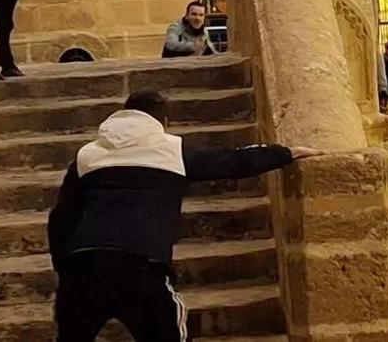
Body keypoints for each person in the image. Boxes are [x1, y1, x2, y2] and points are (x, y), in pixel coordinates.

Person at [48, 91, 318, 342]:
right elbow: (233, 161)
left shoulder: (87, 155)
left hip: (82, 265)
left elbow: (61, 218)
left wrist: (65, 265)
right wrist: (285, 153)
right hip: (141, 265)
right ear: (162, 121)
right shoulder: (171, 150)